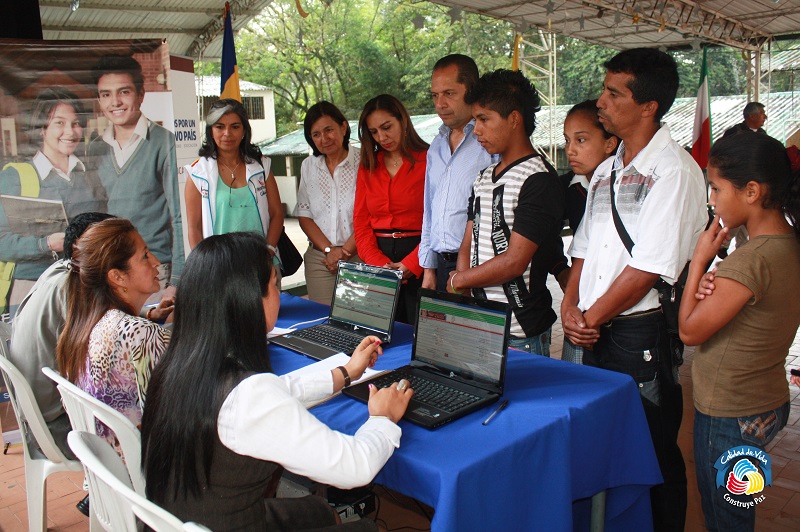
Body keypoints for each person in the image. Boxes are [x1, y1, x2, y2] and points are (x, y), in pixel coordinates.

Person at [141, 232, 413, 531]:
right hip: (230, 522)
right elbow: (354, 468)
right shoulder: (247, 394)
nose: (278, 295)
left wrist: (346, 372)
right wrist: (384, 418)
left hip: (187, 518)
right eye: (274, 285)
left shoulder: (178, 363)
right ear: (248, 301)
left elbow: (277, 393)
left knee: (319, 512)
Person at [560, 48, 707, 531]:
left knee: (653, 450)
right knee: (600, 443)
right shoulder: (606, 168)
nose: (601, 101)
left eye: (614, 93)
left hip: (638, 333)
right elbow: (582, 248)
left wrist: (591, 317)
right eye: (604, 90)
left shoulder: (676, 172)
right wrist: (569, 303)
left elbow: (649, 267)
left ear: (649, 106)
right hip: (592, 326)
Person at [679, 133, 800, 532]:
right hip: (767, 402)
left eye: (715, 188)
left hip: (729, 413)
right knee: (739, 506)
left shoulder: (750, 262)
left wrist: (699, 261)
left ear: (751, 191)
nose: (711, 199)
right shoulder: (788, 245)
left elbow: (689, 331)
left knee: (725, 517)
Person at [446, 69, 564, 357]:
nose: (477, 131)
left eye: (484, 119)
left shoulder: (538, 179)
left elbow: (514, 262)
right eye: (475, 121)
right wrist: (465, 290)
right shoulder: (484, 177)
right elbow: (469, 240)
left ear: (514, 119)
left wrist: (459, 281)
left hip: (519, 330)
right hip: (481, 323)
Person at [55, 218, 171, 450]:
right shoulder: (140, 335)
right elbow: (172, 416)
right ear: (117, 277)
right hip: (143, 476)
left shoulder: (82, 328)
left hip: (107, 474)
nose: (157, 263)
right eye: (145, 256)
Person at [0, 87, 106, 315]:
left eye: (76, 123)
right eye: (59, 122)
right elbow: (2, 242)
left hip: (83, 286)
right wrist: (47, 243)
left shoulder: (90, 176)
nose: (70, 131)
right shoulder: (14, 177)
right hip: (31, 288)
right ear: (41, 129)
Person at [86, 54, 184, 292]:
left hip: (154, 268)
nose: (115, 102)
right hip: (110, 271)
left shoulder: (164, 143)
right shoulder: (95, 147)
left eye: (124, 92)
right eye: (106, 94)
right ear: (99, 100)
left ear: (140, 95)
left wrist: (177, 280)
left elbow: (180, 217)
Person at [419, 54, 495, 292]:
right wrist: (429, 269)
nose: (440, 104)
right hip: (442, 266)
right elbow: (429, 211)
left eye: (449, 94)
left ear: (471, 90)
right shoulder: (437, 145)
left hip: (480, 266)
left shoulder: (489, 141)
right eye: (435, 95)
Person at [184, 98, 284, 275]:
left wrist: (268, 251)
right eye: (219, 127)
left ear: (245, 130)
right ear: (211, 131)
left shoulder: (262, 166)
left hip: (261, 264)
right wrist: (204, 265)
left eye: (235, 126)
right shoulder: (198, 173)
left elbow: (276, 214)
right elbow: (194, 227)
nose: (227, 133)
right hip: (219, 268)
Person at [353, 94, 429, 323]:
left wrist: (413, 263)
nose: (382, 137)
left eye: (387, 127)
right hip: (379, 256)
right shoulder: (368, 165)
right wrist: (378, 265)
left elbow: (437, 220)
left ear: (402, 121)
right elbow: (361, 221)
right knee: (382, 334)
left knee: (420, 333)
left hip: (420, 253)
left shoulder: (429, 158)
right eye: (374, 132)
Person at [559, 99, 619, 363]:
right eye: (567, 140)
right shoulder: (565, 187)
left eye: (581, 140)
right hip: (581, 302)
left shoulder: (624, 186)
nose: (570, 150)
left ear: (610, 143)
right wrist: (565, 280)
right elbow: (546, 239)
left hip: (622, 307)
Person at [294, 101, 360, 304]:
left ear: (343, 127)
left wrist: (345, 251)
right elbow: (305, 216)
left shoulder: (365, 160)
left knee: (361, 322)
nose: (324, 139)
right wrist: (330, 251)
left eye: (329, 130)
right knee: (321, 325)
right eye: (316, 134)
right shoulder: (308, 165)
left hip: (360, 255)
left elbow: (371, 214)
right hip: (320, 259)